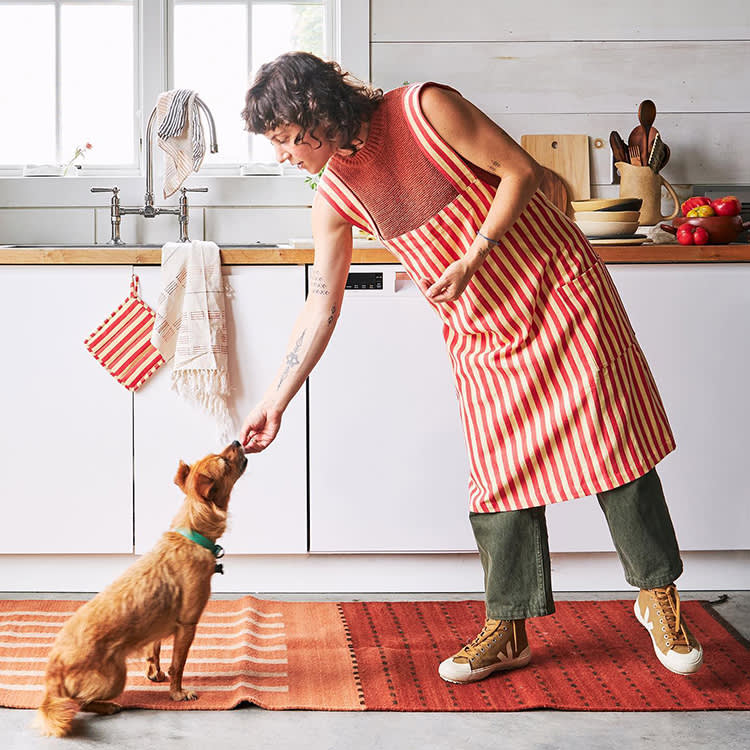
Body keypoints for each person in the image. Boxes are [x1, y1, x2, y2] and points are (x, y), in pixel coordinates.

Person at [239, 51, 703, 683]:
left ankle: (657, 595)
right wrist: (275, 399)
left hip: (558, 290)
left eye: (287, 140)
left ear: (317, 114)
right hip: (481, 330)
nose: (283, 156)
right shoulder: (335, 195)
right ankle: (508, 628)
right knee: (498, 475)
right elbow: (322, 303)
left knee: (613, 446)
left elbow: (521, 171)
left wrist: (476, 254)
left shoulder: (425, 107)